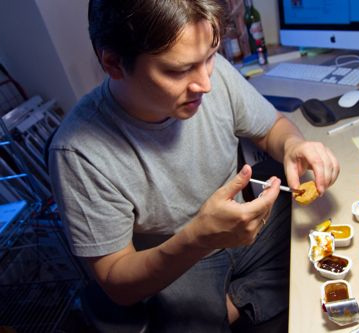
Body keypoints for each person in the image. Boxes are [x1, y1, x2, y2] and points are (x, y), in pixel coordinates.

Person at [49, 0, 340, 331]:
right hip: (177, 260)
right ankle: (236, 305)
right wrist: (197, 238)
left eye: (210, 56)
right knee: (177, 312)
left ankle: (231, 303)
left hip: (245, 232)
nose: (206, 84)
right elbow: (117, 282)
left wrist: (293, 145)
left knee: (322, 222)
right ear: (114, 64)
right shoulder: (77, 152)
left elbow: (272, 126)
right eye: (177, 70)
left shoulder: (209, 76)